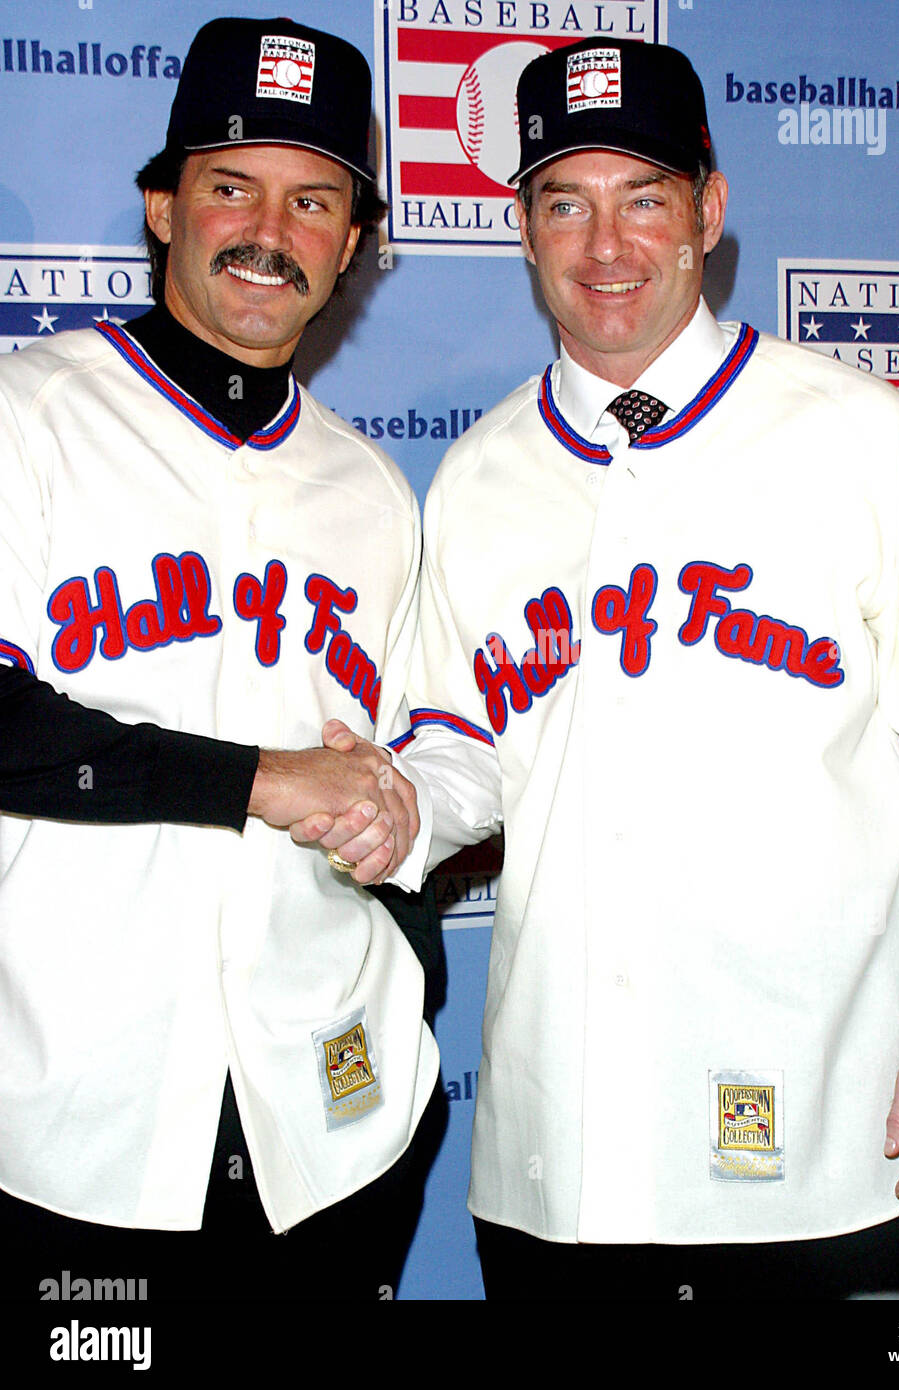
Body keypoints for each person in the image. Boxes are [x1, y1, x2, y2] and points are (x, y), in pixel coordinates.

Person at [306, 38, 899, 1300]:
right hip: (560, 1164)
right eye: (566, 203)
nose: (604, 246)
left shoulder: (854, 435)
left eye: (642, 198)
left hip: (819, 1148)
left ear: (708, 213)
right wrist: (394, 800)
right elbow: (463, 750)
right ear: (522, 227)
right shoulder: (484, 474)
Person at [0, 17, 442, 1302]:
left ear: (352, 244)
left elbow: (401, 780)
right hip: (69, 1140)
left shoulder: (372, 490)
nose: (270, 230)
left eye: (314, 200)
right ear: (160, 206)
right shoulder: (29, 415)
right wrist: (258, 777)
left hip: (334, 1142)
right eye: (231, 185)